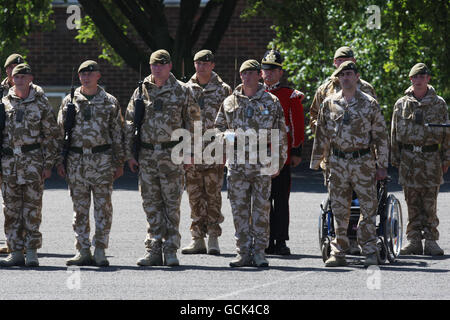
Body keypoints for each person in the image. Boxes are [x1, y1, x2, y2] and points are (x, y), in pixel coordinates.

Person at [126, 49, 200, 267]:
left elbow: (193, 123)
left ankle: (170, 250)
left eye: (161, 65)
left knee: (171, 204)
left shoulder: (182, 91)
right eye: (153, 65)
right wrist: (130, 153)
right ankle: (154, 249)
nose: (157, 68)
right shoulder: (141, 91)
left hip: (172, 155)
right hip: (147, 155)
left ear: (169, 66)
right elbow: (130, 123)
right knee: (151, 204)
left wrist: (190, 152)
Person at [310, 61, 388, 267]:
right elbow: (321, 135)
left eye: (349, 74)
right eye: (342, 74)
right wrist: (317, 162)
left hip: (363, 162)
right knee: (339, 209)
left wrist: (382, 164)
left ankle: (370, 249)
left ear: (357, 77)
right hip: (337, 162)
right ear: (338, 78)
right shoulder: (329, 103)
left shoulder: (370, 103)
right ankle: (339, 251)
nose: (345, 77)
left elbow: (380, 136)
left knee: (368, 207)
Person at [215, 59, 288, 267]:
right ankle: (242, 252)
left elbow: (281, 134)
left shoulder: (271, 101)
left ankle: (259, 252)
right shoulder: (230, 102)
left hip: (262, 163)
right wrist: (226, 137)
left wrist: (278, 162)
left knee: (261, 210)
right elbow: (217, 128)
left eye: (251, 73)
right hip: (237, 164)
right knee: (239, 210)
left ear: (259, 76)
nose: (246, 77)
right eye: (243, 73)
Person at [56, 60, 125, 267]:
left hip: (102, 160)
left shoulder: (110, 101)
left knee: (103, 207)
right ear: (79, 77)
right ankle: (83, 249)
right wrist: (59, 160)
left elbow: (117, 133)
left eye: (90, 73)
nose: (86, 77)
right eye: (82, 73)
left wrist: (119, 161)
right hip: (76, 160)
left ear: (98, 76)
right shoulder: (69, 101)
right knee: (80, 209)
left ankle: (101, 249)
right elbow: (60, 133)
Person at [0, 63, 60, 267]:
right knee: (11, 209)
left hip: (33, 162)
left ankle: (32, 250)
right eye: (16, 77)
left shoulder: (41, 103)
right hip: (9, 163)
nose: (19, 80)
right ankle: (15, 250)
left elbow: (51, 135)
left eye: (23, 77)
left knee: (32, 208)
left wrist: (48, 164)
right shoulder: (4, 103)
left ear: (30, 79)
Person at [391, 63, 449, 256]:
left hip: (431, 158)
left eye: (422, 77)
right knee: (412, 201)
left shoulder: (439, 103)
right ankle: (414, 240)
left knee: (430, 202)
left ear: (428, 79)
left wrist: (446, 157)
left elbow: (447, 133)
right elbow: (394, 133)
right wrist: (394, 158)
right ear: (411, 80)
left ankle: (431, 240)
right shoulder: (401, 104)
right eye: (415, 77)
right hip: (408, 159)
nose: (418, 80)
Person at [181, 50, 231, 255]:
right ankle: (197, 238)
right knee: (194, 196)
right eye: (198, 63)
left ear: (212, 65)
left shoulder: (224, 89)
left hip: (214, 150)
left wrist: (226, 153)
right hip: (191, 150)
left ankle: (213, 237)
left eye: (205, 63)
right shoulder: (184, 89)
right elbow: (180, 121)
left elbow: (229, 122)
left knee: (213, 195)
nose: (201, 66)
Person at [260, 49, 304, 255]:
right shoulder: (254, 93)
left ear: (280, 72)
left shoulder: (289, 95)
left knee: (280, 199)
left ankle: (280, 240)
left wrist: (296, 149)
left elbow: (297, 123)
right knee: (261, 199)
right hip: (259, 154)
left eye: (273, 70)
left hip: (281, 155)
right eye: (265, 70)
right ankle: (264, 238)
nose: (268, 74)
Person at [309, 46, 376, 133]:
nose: (343, 63)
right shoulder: (324, 90)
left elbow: (376, 119)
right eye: (340, 60)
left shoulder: (366, 88)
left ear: (354, 61)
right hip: (333, 144)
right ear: (334, 62)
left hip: (362, 143)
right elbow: (314, 115)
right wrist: (324, 133)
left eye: (347, 60)